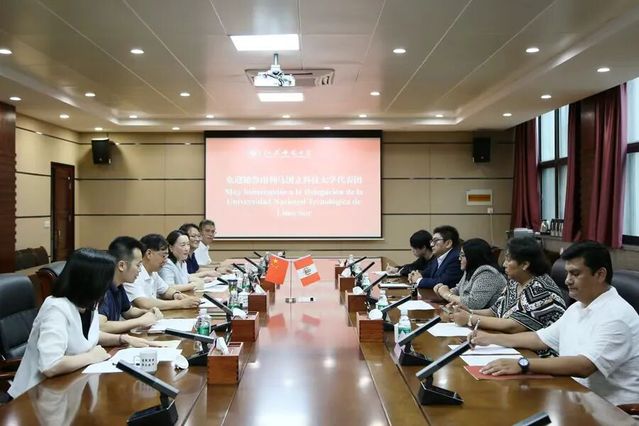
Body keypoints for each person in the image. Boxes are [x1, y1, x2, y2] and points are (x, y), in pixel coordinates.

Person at [471, 241, 639, 406]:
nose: (567, 281)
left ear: (600, 274)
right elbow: (539, 338)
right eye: (567, 273)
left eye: (575, 274)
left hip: (611, 410)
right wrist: (490, 338)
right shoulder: (577, 308)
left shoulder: (617, 316)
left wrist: (523, 364)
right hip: (573, 395)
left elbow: (584, 366)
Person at [8, 248, 158, 399]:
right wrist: (92, 357)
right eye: (106, 279)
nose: (109, 285)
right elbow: (50, 365)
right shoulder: (56, 308)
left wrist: (122, 339)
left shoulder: (89, 304)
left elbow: (88, 336)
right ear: (91, 281)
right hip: (36, 396)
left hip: (71, 388)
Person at [451, 236, 566, 344]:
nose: (504, 264)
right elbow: (494, 312)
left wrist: (470, 318)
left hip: (536, 352)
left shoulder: (540, 289)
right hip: (509, 342)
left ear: (525, 264)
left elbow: (514, 326)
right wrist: (468, 311)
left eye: (508, 259)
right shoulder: (515, 282)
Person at [98, 236, 163, 334]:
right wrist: (140, 321)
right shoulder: (102, 287)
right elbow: (101, 326)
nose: (140, 270)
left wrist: (147, 312)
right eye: (138, 265)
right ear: (121, 265)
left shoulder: (119, 285)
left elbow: (128, 311)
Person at [124, 234, 200, 310]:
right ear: (149, 254)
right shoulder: (133, 273)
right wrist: (181, 303)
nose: (165, 261)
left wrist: (175, 295)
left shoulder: (153, 272)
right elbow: (144, 304)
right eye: (163, 256)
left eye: (167, 257)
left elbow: (165, 290)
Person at [433, 238, 507, 309]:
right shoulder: (470, 270)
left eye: (462, 255)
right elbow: (458, 290)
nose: (459, 258)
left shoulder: (488, 274)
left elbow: (473, 304)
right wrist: (442, 290)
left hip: (490, 317)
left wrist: (447, 294)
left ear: (473, 257)